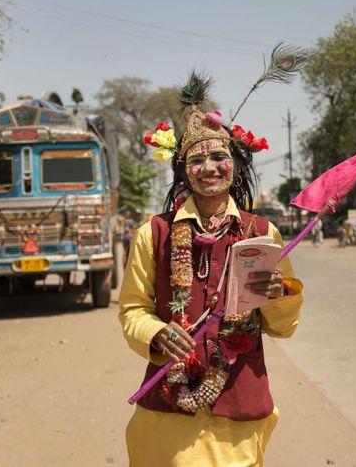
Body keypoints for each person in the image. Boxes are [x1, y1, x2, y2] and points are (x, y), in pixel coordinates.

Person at [118, 73, 304, 467]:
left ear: (234, 164)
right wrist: (156, 333)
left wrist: (278, 295)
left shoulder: (261, 231)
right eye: (196, 160)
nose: (209, 168)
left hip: (239, 406)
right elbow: (133, 310)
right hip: (168, 416)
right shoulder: (154, 233)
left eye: (218, 157)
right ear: (184, 171)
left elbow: (282, 326)